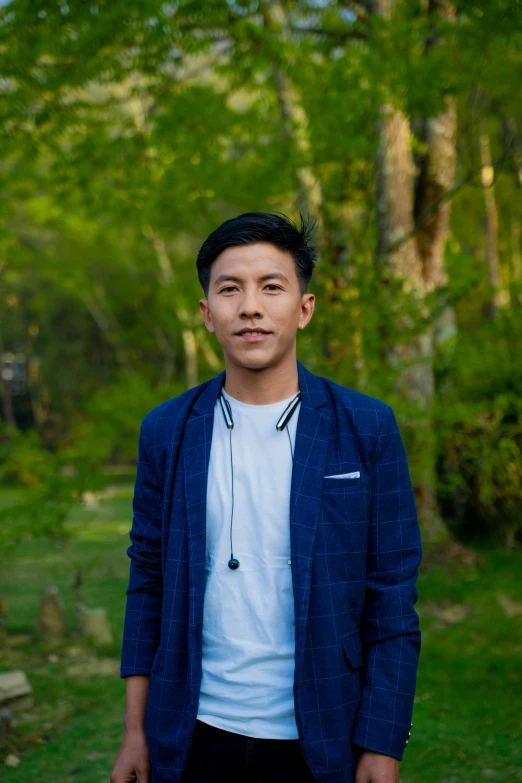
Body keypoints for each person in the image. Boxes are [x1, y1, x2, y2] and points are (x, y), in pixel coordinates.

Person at [110, 212, 422, 783]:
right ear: (207, 314)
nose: (250, 306)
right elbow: (147, 583)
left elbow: (393, 598)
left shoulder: (366, 426)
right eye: (230, 289)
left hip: (324, 732)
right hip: (194, 730)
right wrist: (135, 732)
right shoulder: (167, 431)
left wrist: (383, 743)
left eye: (271, 287)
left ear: (303, 308)